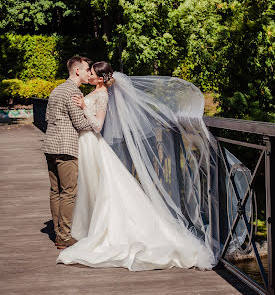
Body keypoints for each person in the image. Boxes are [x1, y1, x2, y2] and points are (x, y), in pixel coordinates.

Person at [56, 61, 219, 270]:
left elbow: (97, 126)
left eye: (92, 73)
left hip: (92, 143)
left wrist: (83, 108)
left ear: (100, 78)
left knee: (103, 188)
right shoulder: (97, 92)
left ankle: (106, 231)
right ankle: (88, 226)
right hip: (86, 145)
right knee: (91, 186)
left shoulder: (103, 95)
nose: (89, 75)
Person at [42, 56, 96, 250]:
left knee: (55, 191)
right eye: (87, 69)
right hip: (66, 147)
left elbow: (47, 116)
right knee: (69, 192)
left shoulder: (57, 89)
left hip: (50, 145)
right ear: (77, 71)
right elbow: (80, 123)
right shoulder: (73, 92)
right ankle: (64, 237)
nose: (89, 72)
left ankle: (58, 232)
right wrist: (98, 125)